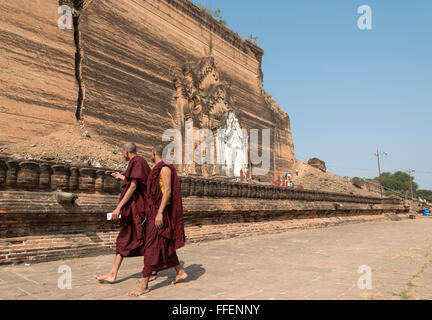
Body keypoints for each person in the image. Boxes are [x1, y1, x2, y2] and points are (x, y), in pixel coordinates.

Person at [128, 144, 187, 296]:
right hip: (153, 211)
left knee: (151, 246)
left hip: (159, 212)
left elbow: (167, 191)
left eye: (151, 152)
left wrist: (160, 213)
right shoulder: (158, 169)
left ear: (154, 152)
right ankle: (180, 271)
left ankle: (144, 284)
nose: (150, 154)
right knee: (163, 243)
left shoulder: (164, 168)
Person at [95, 142, 152, 284]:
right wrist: (122, 177)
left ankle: (114, 274)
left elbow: (133, 187)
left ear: (126, 151)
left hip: (138, 211)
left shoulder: (137, 161)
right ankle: (114, 273)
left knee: (127, 239)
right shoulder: (138, 162)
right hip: (137, 210)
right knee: (140, 240)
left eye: (123, 152)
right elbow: (135, 181)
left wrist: (118, 207)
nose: (123, 154)